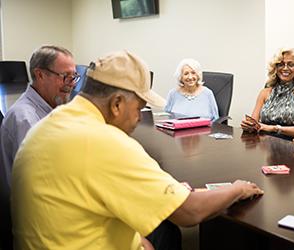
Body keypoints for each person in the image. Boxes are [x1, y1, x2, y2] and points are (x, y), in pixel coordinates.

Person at [11, 50, 263, 250]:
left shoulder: (51, 123)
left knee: (158, 232)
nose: (137, 119)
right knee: (169, 231)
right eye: (140, 107)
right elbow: (189, 212)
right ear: (117, 103)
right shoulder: (106, 142)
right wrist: (238, 187)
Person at [0, 45, 78, 187]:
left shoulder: (54, 106)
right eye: (66, 77)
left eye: (74, 77)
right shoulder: (25, 120)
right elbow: (41, 181)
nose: (72, 84)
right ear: (40, 75)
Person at [240, 48, 294, 137]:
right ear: (275, 68)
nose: (285, 68)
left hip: (290, 145)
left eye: (291, 65)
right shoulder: (264, 92)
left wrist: (274, 128)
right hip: (263, 144)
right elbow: (254, 123)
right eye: (281, 64)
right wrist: (249, 126)